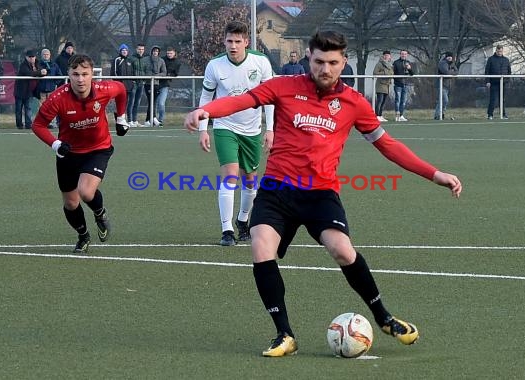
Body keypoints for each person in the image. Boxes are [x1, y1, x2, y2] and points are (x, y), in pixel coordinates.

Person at [185, 30, 462, 357]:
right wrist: (209, 111)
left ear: (343, 62)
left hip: (320, 194)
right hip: (276, 190)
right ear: (308, 58)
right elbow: (243, 100)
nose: (326, 69)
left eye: (333, 62)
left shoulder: (354, 103)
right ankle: (284, 334)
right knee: (261, 247)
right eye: (319, 61)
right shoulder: (283, 86)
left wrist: (434, 174)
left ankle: (384, 318)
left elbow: (388, 146)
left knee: (343, 251)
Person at [32, 54, 130, 253]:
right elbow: (38, 125)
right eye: (75, 74)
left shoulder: (104, 89)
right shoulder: (58, 98)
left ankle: (100, 213)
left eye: (85, 74)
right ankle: (83, 235)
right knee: (70, 203)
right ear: (68, 74)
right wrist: (56, 144)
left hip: (98, 149)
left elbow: (121, 90)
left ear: (92, 74)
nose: (80, 79)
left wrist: (121, 118)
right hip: (68, 154)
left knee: (85, 192)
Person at [197, 20, 274, 246]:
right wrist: (203, 128)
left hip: (252, 129)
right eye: (229, 41)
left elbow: (270, 99)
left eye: (238, 41)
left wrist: (270, 129)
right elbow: (206, 98)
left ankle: (243, 221)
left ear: (246, 42)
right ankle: (227, 230)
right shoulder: (215, 65)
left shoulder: (261, 62)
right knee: (230, 175)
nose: (233, 45)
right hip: (224, 126)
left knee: (250, 181)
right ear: (224, 41)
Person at [14, 50, 47, 130]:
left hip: (29, 91)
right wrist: (40, 72)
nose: (32, 58)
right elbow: (29, 73)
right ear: (26, 57)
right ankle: (19, 125)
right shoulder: (23, 65)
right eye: (30, 57)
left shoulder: (37, 64)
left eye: (33, 57)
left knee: (28, 108)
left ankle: (28, 124)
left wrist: (44, 72)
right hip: (20, 91)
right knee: (18, 109)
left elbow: (42, 73)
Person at [37, 48, 63, 128]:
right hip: (41, 90)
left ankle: (51, 122)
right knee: (42, 107)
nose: (46, 56)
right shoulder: (38, 65)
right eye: (44, 54)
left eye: (47, 54)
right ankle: (42, 122)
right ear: (41, 56)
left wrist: (55, 83)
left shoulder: (54, 65)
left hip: (51, 89)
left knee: (51, 107)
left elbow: (60, 76)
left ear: (50, 55)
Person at [485, 45, 511, 120]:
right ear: (496, 51)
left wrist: (507, 80)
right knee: (493, 99)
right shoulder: (491, 59)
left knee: (502, 99)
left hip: (503, 83)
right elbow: (487, 71)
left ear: (502, 51)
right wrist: (487, 81)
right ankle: (490, 114)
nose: (500, 52)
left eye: (501, 51)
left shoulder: (506, 60)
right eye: (498, 51)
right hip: (494, 82)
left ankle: (503, 114)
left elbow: (509, 71)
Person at [143, 45, 166, 127]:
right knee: (150, 101)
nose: (155, 52)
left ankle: (150, 119)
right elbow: (143, 70)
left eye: (157, 51)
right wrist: (149, 76)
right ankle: (152, 118)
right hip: (148, 84)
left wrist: (157, 76)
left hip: (156, 84)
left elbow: (164, 73)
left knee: (154, 101)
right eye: (154, 51)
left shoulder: (161, 61)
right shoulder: (145, 60)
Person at [110, 44, 135, 119]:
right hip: (119, 86)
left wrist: (132, 82)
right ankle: (118, 118)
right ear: (120, 51)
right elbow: (113, 73)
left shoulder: (130, 60)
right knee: (119, 102)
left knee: (126, 103)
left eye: (126, 50)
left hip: (128, 86)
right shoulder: (117, 59)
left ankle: (124, 119)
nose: (124, 52)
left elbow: (132, 73)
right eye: (123, 50)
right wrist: (118, 83)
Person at [158, 47, 181, 127]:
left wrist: (168, 75)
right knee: (153, 103)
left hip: (165, 84)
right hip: (155, 83)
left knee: (161, 103)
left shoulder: (177, 62)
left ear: (174, 53)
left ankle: (160, 120)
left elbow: (175, 74)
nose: (169, 55)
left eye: (171, 53)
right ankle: (152, 120)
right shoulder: (161, 59)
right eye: (168, 53)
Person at [434, 52, 458, 120]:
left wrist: (451, 72)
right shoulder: (442, 63)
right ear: (446, 57)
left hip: (447, 85)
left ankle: (439, 115)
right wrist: (452, 72)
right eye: (448, 56)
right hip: (441, 85)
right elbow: (446, 72)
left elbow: (457, 71)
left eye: (451, 57)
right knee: (445, 100)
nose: (450, 58)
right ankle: (439, 114)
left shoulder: (452, 64)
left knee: (441, 101)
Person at [129, 43, 148, 127]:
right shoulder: (131, 58)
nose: (141, 51)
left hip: (141, 83)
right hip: (134, 83)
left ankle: (135, 120)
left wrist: (144, 80)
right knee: (131, 102)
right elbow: (129, 70)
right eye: (139, 49)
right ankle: (130, 121)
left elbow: (146, 70)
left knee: (137, 102)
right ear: (136, 49)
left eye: (142, 49)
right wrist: (132, 80)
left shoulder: (145, 59)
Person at [392, 49, 414, 122]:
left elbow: (412, 73)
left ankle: (401, 115)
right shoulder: (396, 63)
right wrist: (396, 80)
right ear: (400, 54)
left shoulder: (408, 62)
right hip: (398, 84)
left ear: (407, 55)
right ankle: (397, 116)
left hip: (406, 84)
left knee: (403, 101)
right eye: (402, 54)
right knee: (397, 100)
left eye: (405, 54)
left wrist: (409, 68)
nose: (403, 55)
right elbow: (393, 73)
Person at [373, 50, 394, 122]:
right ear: (383, 56)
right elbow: (375, 73)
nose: (386, 57)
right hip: (380, 84)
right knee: (380, 101)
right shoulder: (379, 64)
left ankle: (380, 115)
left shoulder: (390, 65)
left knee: (384, 102)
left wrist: (389, 74)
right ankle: (377, 115)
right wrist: (385, 73)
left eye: (388, 55)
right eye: (385, 55)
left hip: (387, 85)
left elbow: (391, 73)